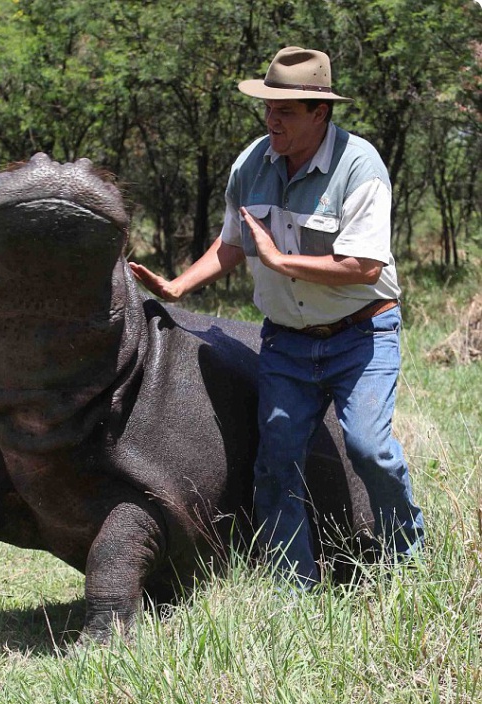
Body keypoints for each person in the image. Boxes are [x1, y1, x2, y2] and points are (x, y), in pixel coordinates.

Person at [129, 46, 425, 587]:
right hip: (287, 342)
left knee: (370, 449)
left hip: (361, 332)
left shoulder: (360, 167)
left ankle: (411, 563)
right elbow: (232, 243)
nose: (272, 119)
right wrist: (175, 287)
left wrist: (281, 259)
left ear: (321, 113)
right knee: (276, 460)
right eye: (268, 107)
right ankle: (295, 585)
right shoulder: (252, 162)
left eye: (286, 110)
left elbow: (362, 266)